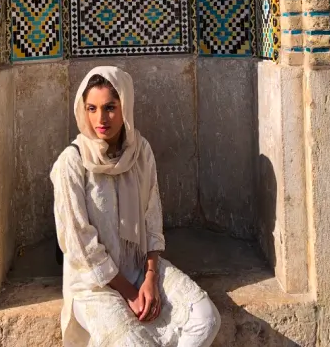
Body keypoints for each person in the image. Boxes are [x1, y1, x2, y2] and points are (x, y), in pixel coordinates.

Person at [51, 66, 221, 347]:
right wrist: (130, 293)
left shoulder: (140, 152)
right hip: (94, 286)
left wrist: (150, 278)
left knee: (205, 318)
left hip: (140, 268)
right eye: (91, 108)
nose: (100, 119)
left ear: (125, 107)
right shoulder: (71, 163)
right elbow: (81, 245)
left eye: (110, 108)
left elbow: (152, 220)